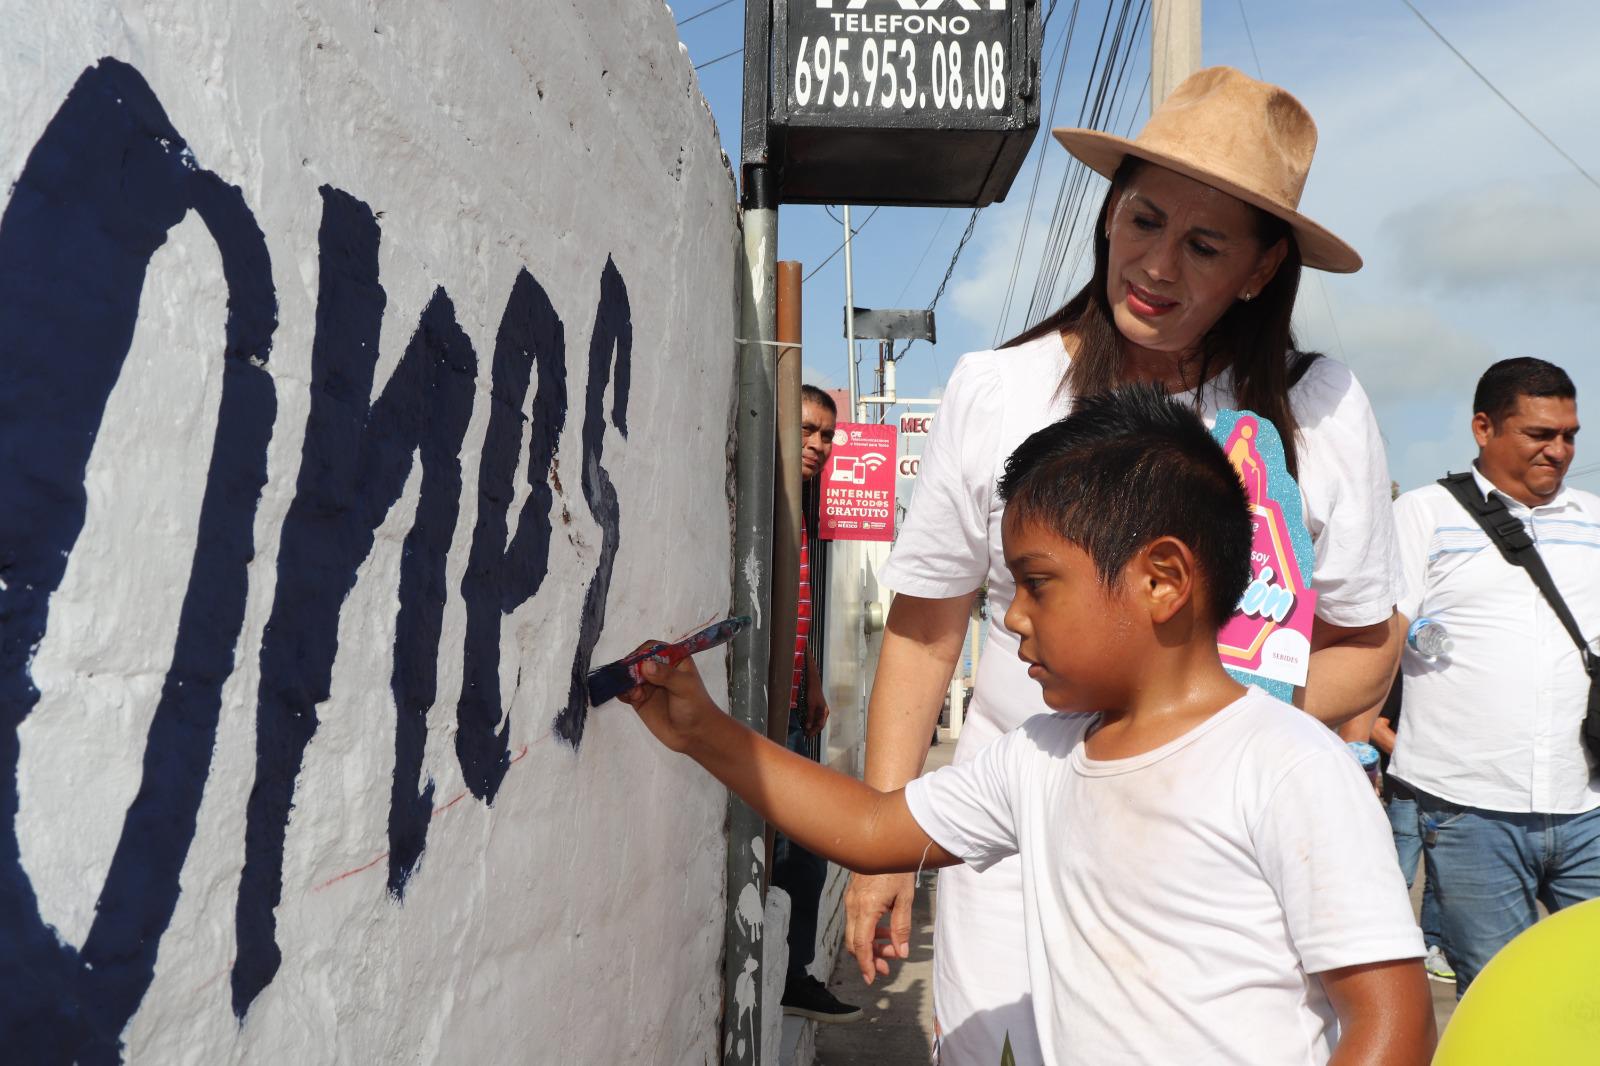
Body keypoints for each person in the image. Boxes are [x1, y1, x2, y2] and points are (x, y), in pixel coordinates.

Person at [847, 66, 1404, 1063]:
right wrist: (887, 841)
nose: (1157, 266)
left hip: (1230, 885)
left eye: (1204, 246)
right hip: (1011, 870)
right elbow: (927, 626)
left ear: (1260, 269)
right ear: (1107, 215)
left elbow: (1365, 647)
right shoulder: (998, 388)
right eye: (1142, 221)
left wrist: (1195, 742)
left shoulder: (1321, 410)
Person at [620, 387, 1435, 1064]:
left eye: (1037, 584)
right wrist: (705, 731)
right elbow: (873, 827)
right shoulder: (1041, 757)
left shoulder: (1289, 765)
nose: (1009, 618)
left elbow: (1391, 1022)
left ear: (1163, 579)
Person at [1389, 357, 1598, 995]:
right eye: (1539, 434)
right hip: (1467, 811)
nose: (1558, 451)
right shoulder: (1422, 515)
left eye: (1569, 436)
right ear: (1484, 427)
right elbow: (1380, 638)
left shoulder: (1595, 520)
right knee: (1500, 996)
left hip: (1588, 804)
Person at [771, 384, 860, 1022]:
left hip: (798, 708)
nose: (818, 445)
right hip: (762, 712)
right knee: (785, 853)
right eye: (806, 429)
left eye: (827, 436)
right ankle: (779, 973)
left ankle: (791, 972)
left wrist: (815, 677)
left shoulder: (807, 505)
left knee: (807, 852)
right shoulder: (767, 498)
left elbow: (802, 602)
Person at [1369, 678, 1455, 983]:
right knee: (1399, 873)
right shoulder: (1407, 675)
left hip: (1447, 792)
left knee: (1440, 875)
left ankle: (1433, 949)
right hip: (1406, 791)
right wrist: (1417, 765)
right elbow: (1377, 729)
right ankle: (1377, 945)